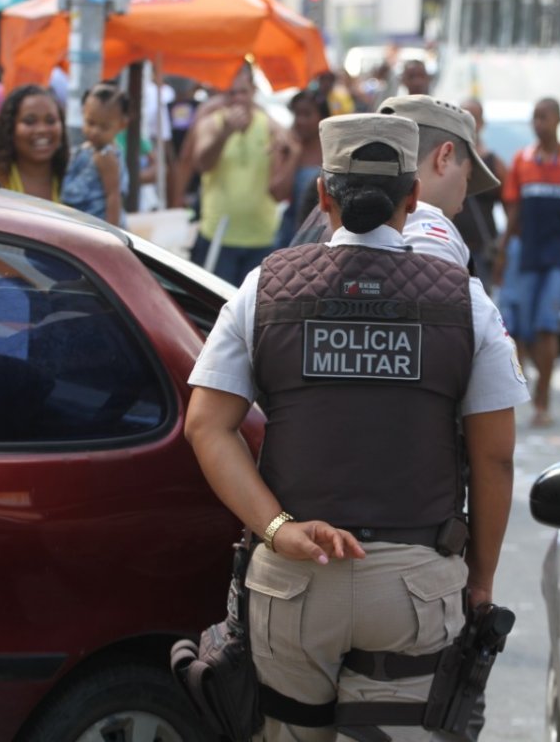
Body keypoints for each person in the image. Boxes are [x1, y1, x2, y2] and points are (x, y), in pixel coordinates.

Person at [184, 112, 527, 742]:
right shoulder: (464, 300)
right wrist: (480, 581)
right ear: (413, 196)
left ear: (322, 193)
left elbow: (206, 425)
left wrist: (279, 529)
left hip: (294, 581)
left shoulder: (265, 288)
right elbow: (495, 458)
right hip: (414, 586)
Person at [494, 97, 560, 428]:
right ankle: (532, 386)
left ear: (557, 120)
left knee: (546, 324)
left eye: (544, 117)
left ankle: (544, 395)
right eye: (535, 117)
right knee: (521, 328)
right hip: (526, 254)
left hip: (557, 256)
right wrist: (503, 249)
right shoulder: (522, 161)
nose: (539, 123)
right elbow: (514, 211)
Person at [190, 64, 290, 284]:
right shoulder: (211, 122)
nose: (237, 99)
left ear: (253, 92)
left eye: (243, 92)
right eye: (231, 93)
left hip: (261, 235)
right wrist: (225, 133)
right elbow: (202, 164)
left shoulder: (269, 124)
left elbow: (282, 175)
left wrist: (284, 151)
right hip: (218, 234)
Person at [379, 95, 502, 272]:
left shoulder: (337, 222)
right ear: (444, 157)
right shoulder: (435, 241)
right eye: (467, 177)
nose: (461, 206)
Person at [0, 85, 67, 202]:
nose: (42, 129)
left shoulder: (75, 180)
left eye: (50, 121)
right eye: (30, 121)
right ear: (10, 128)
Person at [61, 83, 129, 225]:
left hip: (97, 225)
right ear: (82, 113)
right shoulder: (87, 149)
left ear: (122, 124)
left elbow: (113, 197)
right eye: (90, 123)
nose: (95, 131)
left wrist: (111, 234)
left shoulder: (106, 156)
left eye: (104, 127)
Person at [456, 98, 508, 277]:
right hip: (449, 248)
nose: (468, 124)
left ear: (482, 123)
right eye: (462, 117)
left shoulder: (495, 164)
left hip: (480, 252)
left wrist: (502, 250)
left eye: (473, 118)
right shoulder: (445, 159)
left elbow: (511, 210)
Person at [272, 89, 328, 249]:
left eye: (307, 114)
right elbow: (277, 194)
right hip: (289, 235)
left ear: (322, 117)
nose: (300, 121)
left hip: (318, 239)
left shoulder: (331, 153)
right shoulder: (287, 149)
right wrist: (294, 156)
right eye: (296, 114)